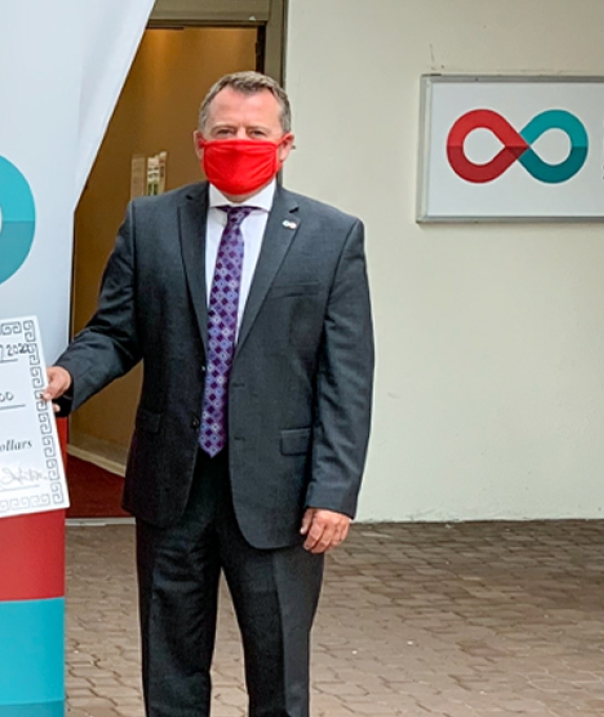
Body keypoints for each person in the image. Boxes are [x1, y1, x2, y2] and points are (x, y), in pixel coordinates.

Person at [42, 72, 374, 717]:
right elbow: (116, 331)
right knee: (171, 666)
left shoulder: (333, 237)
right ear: (200, 142)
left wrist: (334, 492)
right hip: (174, 484)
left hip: (280, 495)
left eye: (256, 132)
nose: (240, 141)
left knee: (278, 674)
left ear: (285, 144)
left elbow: (347, 375)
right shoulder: (151, 222)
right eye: (226, 131)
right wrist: (69, 376)